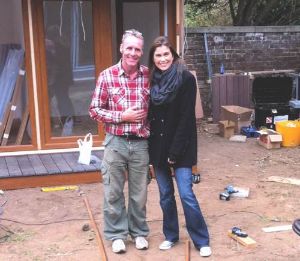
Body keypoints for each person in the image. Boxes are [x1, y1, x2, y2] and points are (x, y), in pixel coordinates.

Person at [148, 36, 212, 257]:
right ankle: (171, 235)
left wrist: (174, 152)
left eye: (166, 54)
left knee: (186, 193)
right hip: (157, 147)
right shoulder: (151, 80)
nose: (163, 59)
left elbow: (186, 118)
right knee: (165, 195)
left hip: (181, 146)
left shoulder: (185, 79)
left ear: (173, 55)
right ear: (153, 58)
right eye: (158, 55)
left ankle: (201, 239)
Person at [89, 29, 150, 254]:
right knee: (113, 190)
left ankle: (139, 232)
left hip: (141, 143)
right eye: (130, 48)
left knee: (139, 192)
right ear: (121, 48)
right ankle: (116, 234)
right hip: (115, 142)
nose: (133, 53)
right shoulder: (107, 75)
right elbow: (94, 110)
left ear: (141, 52)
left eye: (137, 49)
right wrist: (121, 117)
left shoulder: (148, 75)